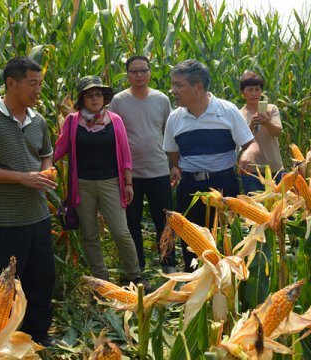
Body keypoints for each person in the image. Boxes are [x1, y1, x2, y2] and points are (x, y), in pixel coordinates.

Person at [0, 57, 57, 346]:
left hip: (38, 216)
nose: (38, 90)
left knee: (41, 281)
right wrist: (23, 178)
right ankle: (2, 344)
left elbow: (46, 151)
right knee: (5, 289)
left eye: (40, 84)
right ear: (11, 83)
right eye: (33, 84)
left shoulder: (38, 120)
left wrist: (44, 170)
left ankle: (37, 338)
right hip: (6, 221)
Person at [163, 59, 258, 271]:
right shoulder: (174, 118)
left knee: (226, 241)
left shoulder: (227, 111)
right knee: (192, 244)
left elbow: (250, 144)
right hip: (190, 188)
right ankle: (196, 288)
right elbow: (172, 152)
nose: (173, 90)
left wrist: (248, 155)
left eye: (179, 85)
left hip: (223, 185)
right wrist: (178, 167)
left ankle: (227, 290)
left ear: (198, 86)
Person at [54, 75, 144, 286]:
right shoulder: (72, 121)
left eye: (98, 95)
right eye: (89, 95)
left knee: (121, 232)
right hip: (82, 185)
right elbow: (60, 148)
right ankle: (101, 280)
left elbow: (125, 153)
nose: (95, 99)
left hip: (110, 182)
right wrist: (42, 166)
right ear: (81, 99)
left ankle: (135, 275)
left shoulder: (114, 120)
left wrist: (128, 183)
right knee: (90, 235)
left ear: (104, 98)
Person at [110, 55, 177, 274]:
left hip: (159, 169)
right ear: (127, 75)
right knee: (132, 223)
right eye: (134, 71)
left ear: (150, 72)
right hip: (131, 175)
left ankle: (169, 265)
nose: (139, 75)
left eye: (143, 71)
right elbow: (113, 136)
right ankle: (137, 267)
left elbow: (170, 133)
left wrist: (175, 165)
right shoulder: (118, 101)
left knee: (165, 220)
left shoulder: (161, 99)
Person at [238, 71, 284, 193]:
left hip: (275, 169)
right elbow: (240, 142)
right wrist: (251, 124)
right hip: (252, 172)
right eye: (250, 90)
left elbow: (277, 132)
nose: (254, 93)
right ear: (242, 93)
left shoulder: (271, 109)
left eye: (257, 89)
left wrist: (266, 122)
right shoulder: (239, 114)